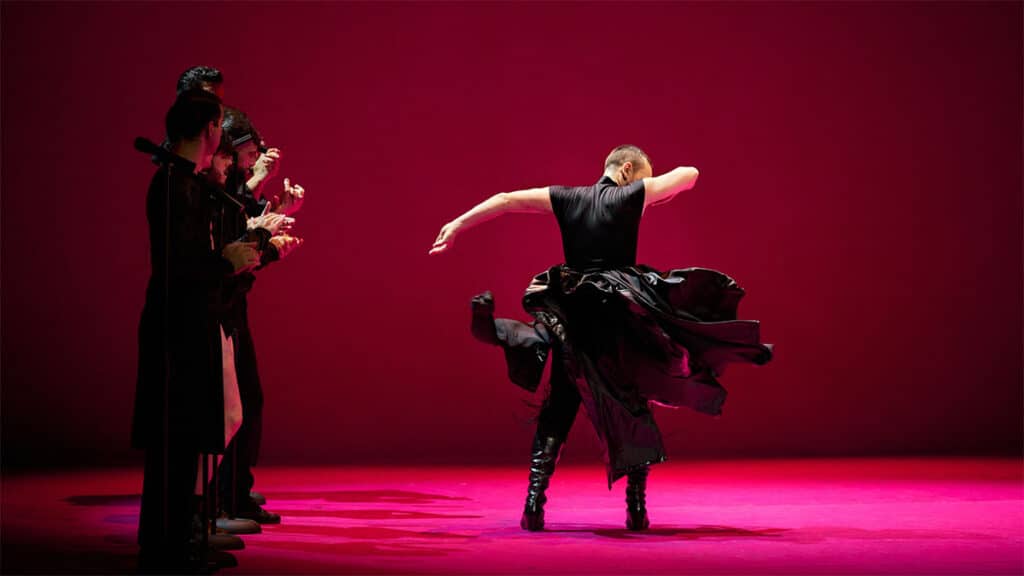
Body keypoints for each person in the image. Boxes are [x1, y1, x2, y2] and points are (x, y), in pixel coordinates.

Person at [429, 145, 773, 531]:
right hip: (617, 322)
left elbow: (507, 200)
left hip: (574, 319)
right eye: (642, 177)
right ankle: (636, 510)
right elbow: (690, 173)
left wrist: (458, 224)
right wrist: (651, 192)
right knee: (633, 406)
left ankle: (533, 505)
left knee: (559, 404)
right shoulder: (631, 194)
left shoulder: (566, 198)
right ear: (627, 170)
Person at [132, 89, 260, 571]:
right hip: (174, 326)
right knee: (174, 442)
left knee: (185, 440)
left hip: (190, 322)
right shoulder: (171, 185)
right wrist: (224, 260)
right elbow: (177, 266)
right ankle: (164, 548)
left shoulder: (188, 183)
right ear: (209, 128)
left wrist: (233, 259)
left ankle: (176, 540)